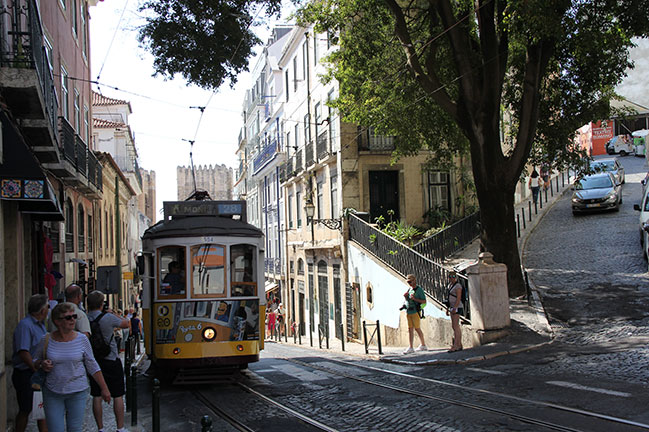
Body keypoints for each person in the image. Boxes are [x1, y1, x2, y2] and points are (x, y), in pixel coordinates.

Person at [34, 302, 111, 432]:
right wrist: (42, 364)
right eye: (68, 317)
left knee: (75, 428)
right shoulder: (46, 339)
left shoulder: (82, 339)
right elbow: (35, 361)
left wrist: (104, 388)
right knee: (55, 429)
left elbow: (92, 364)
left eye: (74, 316)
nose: (73, 320)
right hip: (52, 391)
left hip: (77, 391)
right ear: (57, 321)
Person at [86, 291, 130, 432]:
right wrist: (113, 313)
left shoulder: (84, 318)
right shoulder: (108, 318)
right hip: (110, 359)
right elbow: (126, 323)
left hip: (93, 361)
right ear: (102, 304)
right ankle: (120, 428)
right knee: (118, 394)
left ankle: (101, 428)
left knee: (96, 395)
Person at [12, 294, 49, 432]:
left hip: (38, 372)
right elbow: (23, 351)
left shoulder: (41, 325)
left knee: (41, 410)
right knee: (25, 409)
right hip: (26, 373)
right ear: (42, 310)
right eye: (47, 307)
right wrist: (34, 369)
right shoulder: (25, 325)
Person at [402, 274, 427, 354]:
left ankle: (423, 345)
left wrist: (415, 299)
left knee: (417, 328)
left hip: (415, 311)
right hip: (409, 311)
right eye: (408, 282)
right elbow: (408, 300)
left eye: (410, 282)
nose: (409, 283)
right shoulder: (409, 289)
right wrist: (406, 297)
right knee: (410, 329)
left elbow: (424, 301)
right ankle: (411, 346)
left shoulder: (419, 290)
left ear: (414, 281)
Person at [446, 272, 464, 352]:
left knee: (456, 326)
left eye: (453, 276)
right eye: (450, 277)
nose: (452, 278)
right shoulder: (449, 286)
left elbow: (459, 297)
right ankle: (458, 344)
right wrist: (448, 308)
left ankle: (456, 345)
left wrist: (455, 307)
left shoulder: (458, 286)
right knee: (453, 326)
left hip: (457, 307)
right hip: (451, 307)